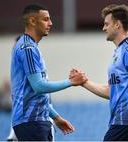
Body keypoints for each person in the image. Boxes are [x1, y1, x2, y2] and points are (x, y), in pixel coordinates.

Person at [70, 4, 128, 141]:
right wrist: (84, 82)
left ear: (117, 25)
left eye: (107, 24)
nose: (103, 28)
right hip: (121, 123)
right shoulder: (118, 53)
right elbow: (112, 91)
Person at [10, 4, 87, 141]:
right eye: (46, 19)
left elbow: (35, 94)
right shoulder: (28, 48)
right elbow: (39, 87)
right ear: (33, 21)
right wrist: (71, 82)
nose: (50, 23)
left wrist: (56, 117)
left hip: (36, 120)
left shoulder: (32, 47)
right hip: (31, 121)